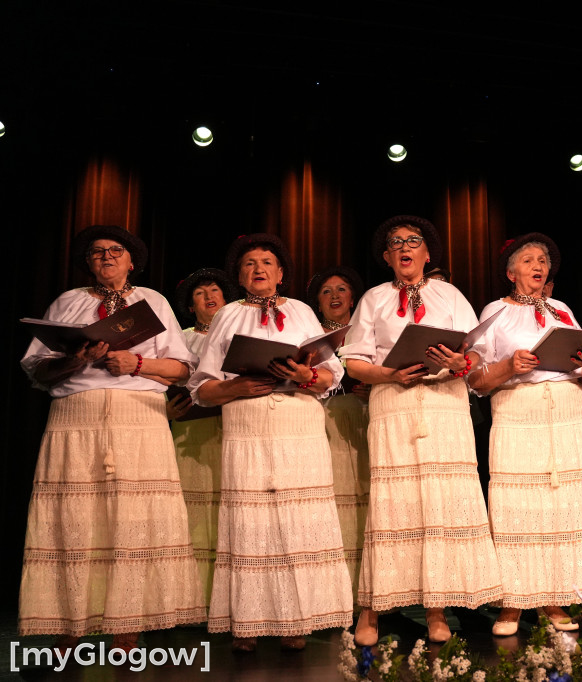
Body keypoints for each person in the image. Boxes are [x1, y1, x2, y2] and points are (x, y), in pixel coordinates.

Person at [19, 225, 204, 649]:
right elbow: (38, 370)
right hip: (75, 419)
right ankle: (67, 627)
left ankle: (128, 628)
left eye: (115, 251)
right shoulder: (69, 301)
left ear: (131, 260)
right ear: (88, 263)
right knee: (73, 521)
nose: (106, 257)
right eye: (97, 253)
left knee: (134, 520)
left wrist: (137, 363)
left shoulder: (152, 301)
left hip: (138, 417)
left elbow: (182, 369)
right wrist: (75, 360)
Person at [341, 215, 501, 645]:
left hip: (445, 405)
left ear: (427, 254)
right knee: (393, 505)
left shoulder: (449, 294)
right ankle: (371, 610)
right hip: (393, 404)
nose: (405, 247)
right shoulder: (374, 299)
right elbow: (352, 361)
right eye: (396, 243)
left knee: (439, 507)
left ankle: (436, 608)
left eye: (413, 241)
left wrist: (459, 363)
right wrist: (390, 373)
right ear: (387, 257)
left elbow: (478, 357)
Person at [188, 233, 352, 651]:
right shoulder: (226, 314)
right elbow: (202, 389)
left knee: (298, 525)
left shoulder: (299, 310)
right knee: (251, 524)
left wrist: (306, 376)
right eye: (249, 263)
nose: (258, 269)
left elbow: (332, 376)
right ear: (239, 275)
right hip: (247, 425)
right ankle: (248, 621)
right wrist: (237, 387)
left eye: (267, 262)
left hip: (299, 423)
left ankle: (295, 621)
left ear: (280, 274)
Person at [467, 233, 582, 635]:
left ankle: (553, 599)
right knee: (518, 506)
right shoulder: (495, 311)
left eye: (543, 260)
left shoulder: (562, 309)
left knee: (562, 507)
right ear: (511, 272)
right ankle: (513, 602)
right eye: (528, 259)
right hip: (518, 410)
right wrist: (510, 366)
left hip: (566, 411)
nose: (537, 265)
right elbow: (476, 379)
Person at [170, 268, 235, 607]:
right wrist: (167, 411)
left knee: (228, 511)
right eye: (200, 293)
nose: (209, 296)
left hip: (232, 431)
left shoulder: (239, 331)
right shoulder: (179, 338)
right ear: (190, 305)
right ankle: (191, 600)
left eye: (215, 290)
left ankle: (227, 597)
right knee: (194, 515)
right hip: (191, 434)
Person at [306, 266, 371, 603]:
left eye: (342, 289)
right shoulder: (308, 334)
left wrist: (372, 390)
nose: (335, 296)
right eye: (327, 291)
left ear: (353, 297)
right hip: (324, 419)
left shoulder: (367, 330)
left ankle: (368, 591)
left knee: (366, 501)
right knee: (331, 501)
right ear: (317, 301)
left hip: (364, 418)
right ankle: (334, 592)